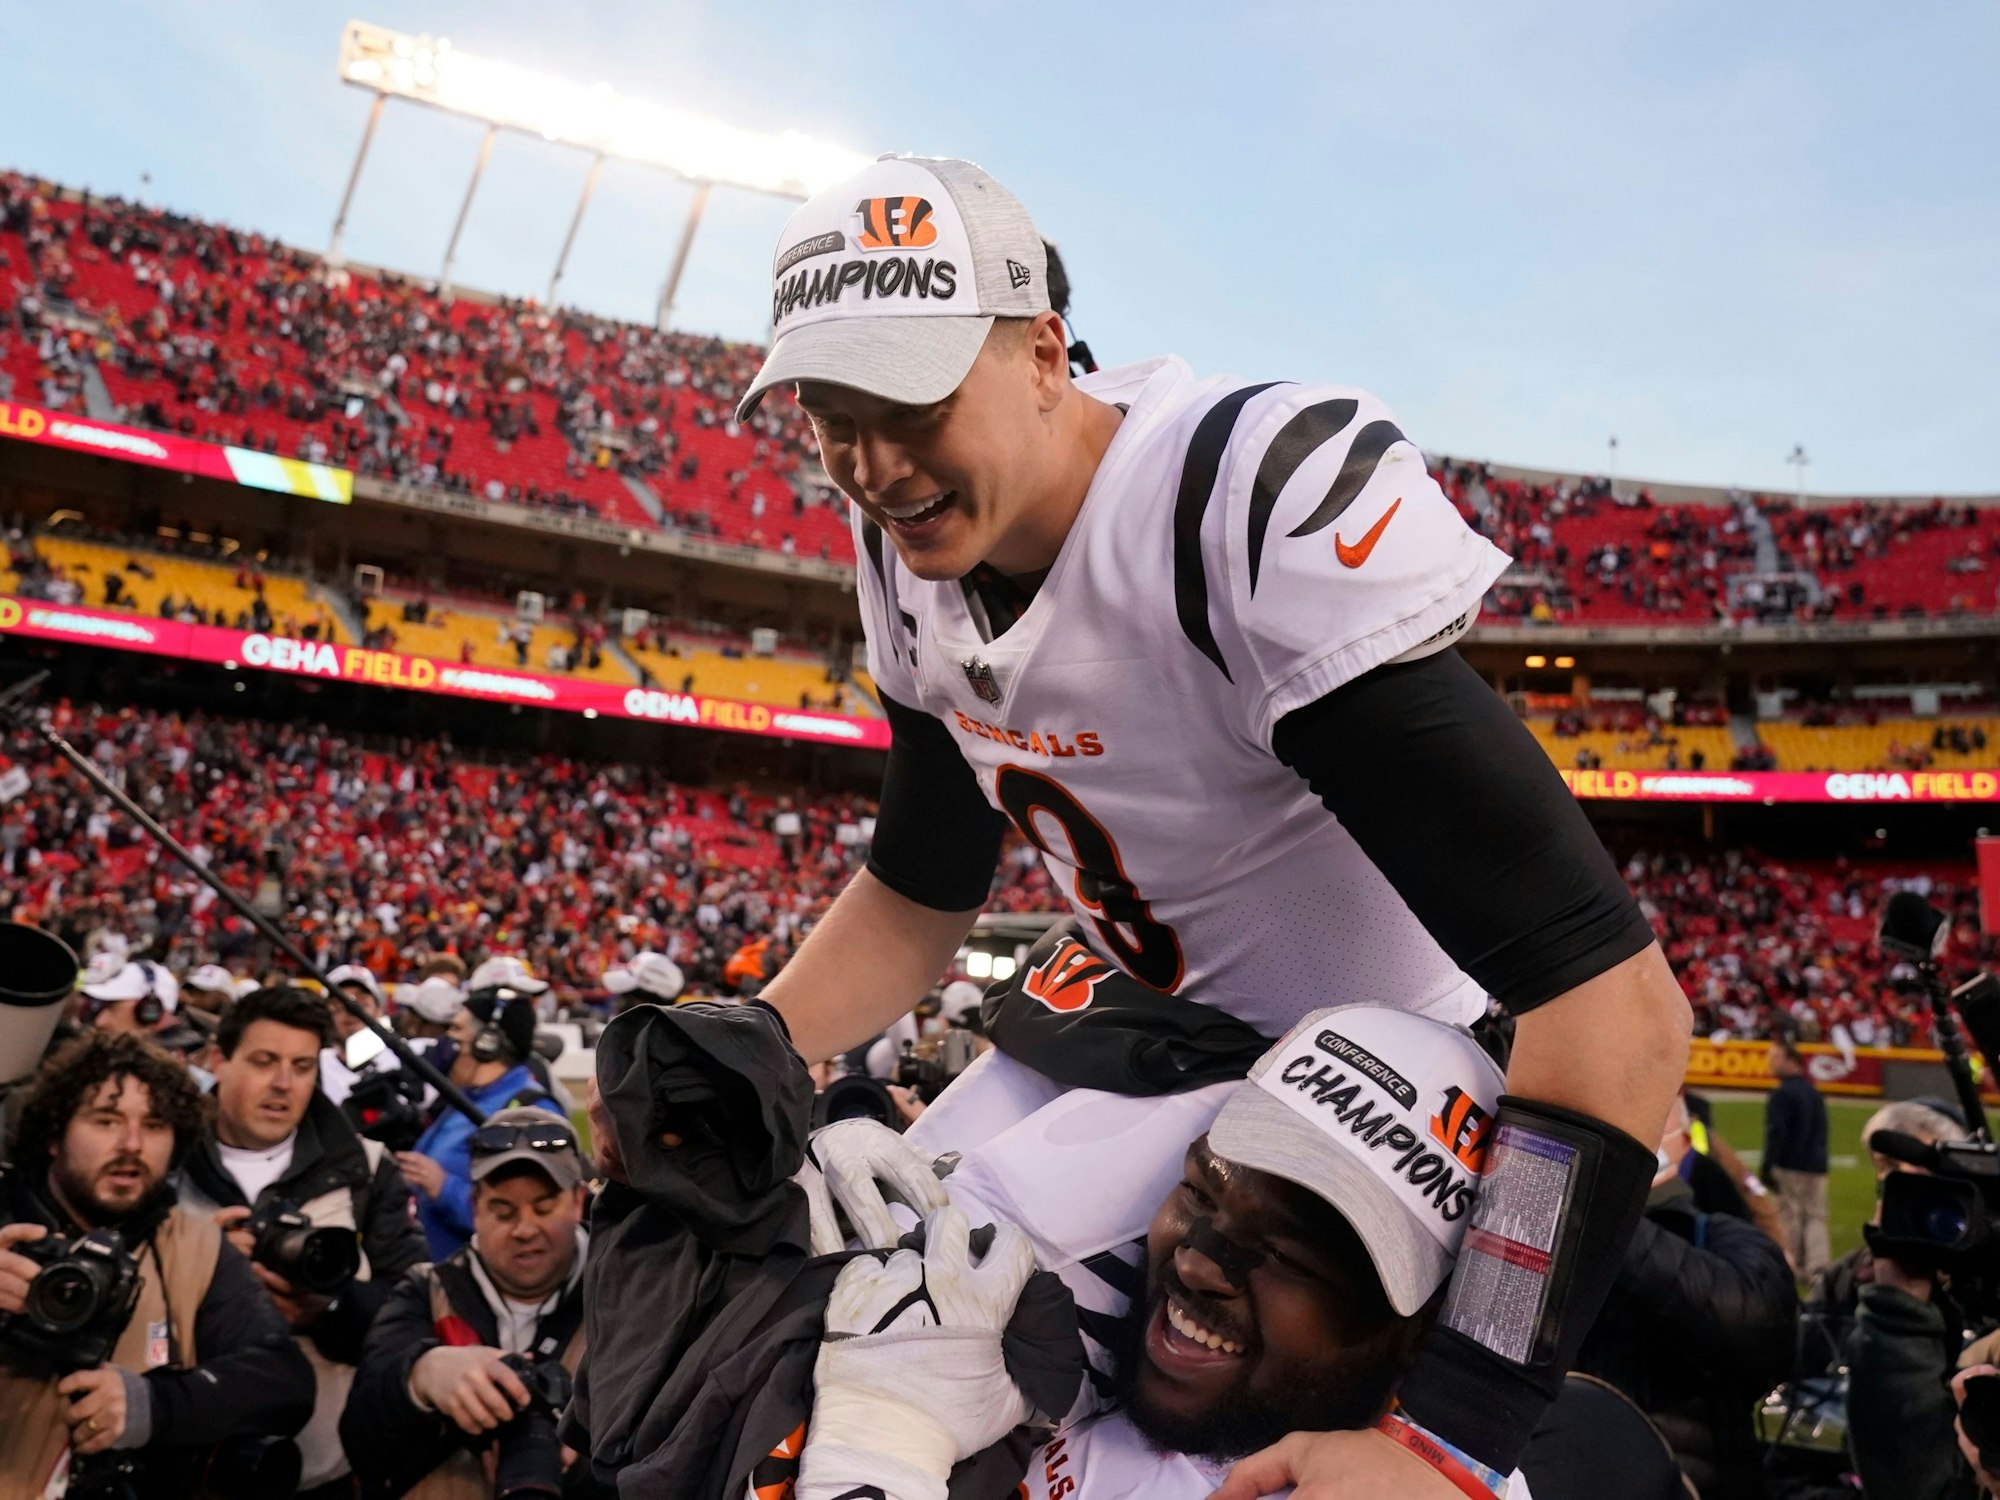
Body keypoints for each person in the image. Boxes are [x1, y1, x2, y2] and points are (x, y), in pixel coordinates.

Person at [735, 154, 1692, 1493]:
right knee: (815, 1293)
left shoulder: (1227, 510)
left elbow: (1616, 1009)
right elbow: (916, 891)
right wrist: (755, 1043)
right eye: (832, 413)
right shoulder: (908, 549)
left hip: (1367, 1078)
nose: (872, 462)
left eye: (911, 401)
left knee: (937, 1359)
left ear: (1045, 355)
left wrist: (1456, 1441)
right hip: (1150, 1020)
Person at [790, 1006, 1682, 1500]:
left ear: (1423, 1333)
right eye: (1202, 1191)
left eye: (1293, 1255)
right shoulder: (1119, 1375)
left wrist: (880, 1451)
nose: (1201, 1260)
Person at [0, 1030, 314, 1494]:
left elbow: (285, 1382)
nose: (131, 1144)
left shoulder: (196, 1247)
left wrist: (155, 1405)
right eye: (106, 1121)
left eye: (154, 1125)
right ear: (54, 1135)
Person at [176, 985, 431, 1498]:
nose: (283, 1084)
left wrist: (329, 1309)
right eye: (264, 1061)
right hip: (179, 1460)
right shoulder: (159, 1158)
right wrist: (194, 1263)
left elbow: (415, 1309)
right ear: (218, 1060)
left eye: (302, 1065)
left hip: (322, 1470)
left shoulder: (367, 1166)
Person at [340, 1108, 606, 1499]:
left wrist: (584, 1462)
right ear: (475, 1206)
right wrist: (420, 1376)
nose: (525, 1229)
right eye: (503, 1210)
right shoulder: (425, 1291)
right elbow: (363, 1446)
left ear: (578, 1200)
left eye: (544, 1207)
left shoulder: (624, 1294)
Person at [1571, 1093, 1798, 1500]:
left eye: (1655, 1123)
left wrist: (1603, 1210)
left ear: (1686, 1143)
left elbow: (1758, 1326)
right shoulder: (1567, 1232)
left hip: (1693, 1480)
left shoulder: (1719, 1236)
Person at [400, 993, 563, 1259]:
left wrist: (444, 1188)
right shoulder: (467, 1098)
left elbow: (534, 1220)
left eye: (456, 1029)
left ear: (487, 1043)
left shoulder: (528, 1111)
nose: (446, 1041)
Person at [1765, 1035, 1830, 1277]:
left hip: (1789, 1165)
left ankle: (1790, 1265)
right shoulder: (1814, 1093)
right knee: (1815, 1217)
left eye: (1775, 1057)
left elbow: (1776, 1133)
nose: (1770, 1063)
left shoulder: (1782, 1095)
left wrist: (1768, 1165)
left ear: (1791, 1060)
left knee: (1789, 1218)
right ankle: (1817, 1266)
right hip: (1816, 1165)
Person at [320, 964, 400, 1108]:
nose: (351, 1011)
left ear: (378, 1010)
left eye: (362, 1003)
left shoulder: (402, 1061)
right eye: (339, 1004)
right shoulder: (313, 1065)